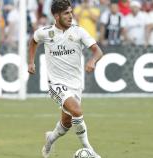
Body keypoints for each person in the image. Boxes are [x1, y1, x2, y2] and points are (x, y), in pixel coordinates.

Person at [28, 0, 103, 158]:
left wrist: (92, 61)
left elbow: (98, 51)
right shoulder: (46, 32)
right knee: (77, 110)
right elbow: (33, 41)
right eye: (66, 13)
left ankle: (50, 139)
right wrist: (31, 62)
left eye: (71, 12)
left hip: (75, 85)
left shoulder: (79, 32)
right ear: (56, 16)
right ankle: (90, 150)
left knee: (66, 123)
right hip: (56, 84)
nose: (71, 16)